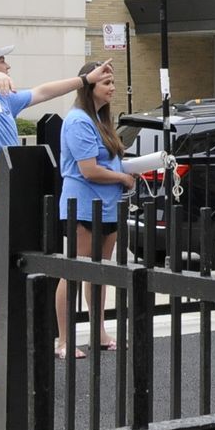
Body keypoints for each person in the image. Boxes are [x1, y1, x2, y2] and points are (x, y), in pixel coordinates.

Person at [0, 42, 112, 389]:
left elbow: (42, 91)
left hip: (3, 205)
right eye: (2, 62)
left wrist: (84, 81)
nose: (9, 66)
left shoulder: (5, 101)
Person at [54, 64, 135, 358]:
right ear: (89, 87)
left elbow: (107, 164)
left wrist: (125, 173)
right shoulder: (78, 120)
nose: (112, 88)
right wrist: (123, 178)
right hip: (84, 205)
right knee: (74, 271)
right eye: (106, 83)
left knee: (99, 272)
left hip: (108, 206)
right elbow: (88, 170)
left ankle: (99, 333)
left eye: (113, 82)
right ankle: (63, 340)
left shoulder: (101, 120)